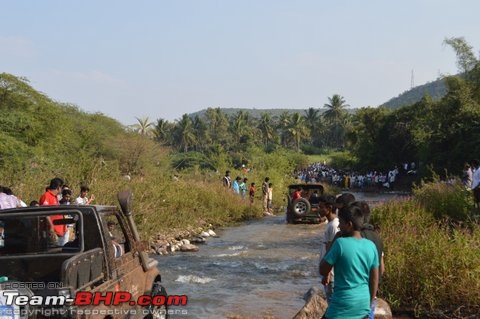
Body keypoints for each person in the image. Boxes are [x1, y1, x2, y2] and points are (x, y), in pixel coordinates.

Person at [320, 204, 379, 319]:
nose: (339, 227)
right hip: (363, 305)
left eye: (341, 223)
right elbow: (374, 279)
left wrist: (334, 241)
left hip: (342, 306)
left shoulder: (340, 244)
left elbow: (322, 270)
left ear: (349, 225)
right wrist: (369, 304)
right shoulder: (371, 246)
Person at [355, 201, 385, 319]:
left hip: (358, 291)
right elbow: (382, 268)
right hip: (373, 291)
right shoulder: (377, 237)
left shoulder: (357, 237)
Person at [318, 195, 339, 303]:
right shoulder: (330, 224)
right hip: (330, 273)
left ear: (329, 208)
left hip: (331, 275)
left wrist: (327, 274)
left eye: (321, 207)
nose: (319, 209)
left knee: (332, 304)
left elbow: (331, 251)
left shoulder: (334, 226)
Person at [40, 178, 68, 245]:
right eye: (61, 188)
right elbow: (44, 212)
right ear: (58, 188)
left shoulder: (55, 197)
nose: (61, 190)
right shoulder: (46, 196)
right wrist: (51, 226)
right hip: (53, 233)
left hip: (60, 232)